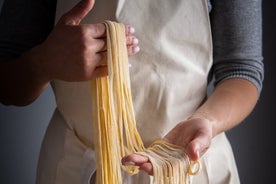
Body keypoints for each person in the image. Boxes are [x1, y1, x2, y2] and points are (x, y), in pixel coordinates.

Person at [0, 0, 263, 183]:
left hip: (188, 166)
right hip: (80, 168)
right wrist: (43, 62)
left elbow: (242, 71)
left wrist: (207, 121)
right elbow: (6, 82)